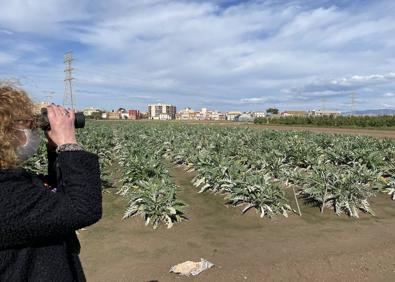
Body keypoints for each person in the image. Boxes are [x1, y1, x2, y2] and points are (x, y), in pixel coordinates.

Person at [0, 85, 102, 281]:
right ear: (7, 134)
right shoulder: (6, 194)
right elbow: (82, 208)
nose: (34, 129)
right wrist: (68, 142)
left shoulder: (9, 179)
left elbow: (55, 200)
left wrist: (56, 150)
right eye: (27, 124)